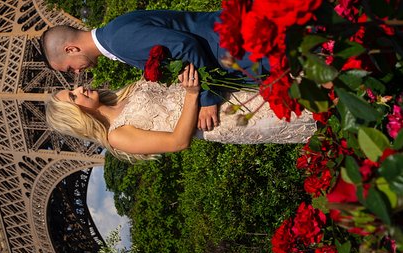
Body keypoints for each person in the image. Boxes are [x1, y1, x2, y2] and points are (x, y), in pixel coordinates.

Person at [40, 9, 269, 132]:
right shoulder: (114, 34)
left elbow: (184, 46)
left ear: (71, 48)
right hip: (233, 42)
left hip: (239, 46)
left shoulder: (119, 40)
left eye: (70, 68)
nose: (77, 74)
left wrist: (208, 101)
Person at [45, 64, 315, 162]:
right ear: (75, 115)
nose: (79, 88)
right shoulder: (117, 137)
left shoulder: (124, 93)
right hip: (225, 119)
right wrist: (192, 94)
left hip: (223, 91)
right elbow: (178, 141)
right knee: (305, 110)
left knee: (300, 84)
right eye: (73, 96)